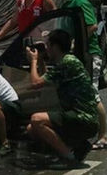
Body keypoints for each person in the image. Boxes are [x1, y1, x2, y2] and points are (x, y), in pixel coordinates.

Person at [53, 0, 107, 150]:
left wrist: (74, 42)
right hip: (73, 57)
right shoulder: (66, 3)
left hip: (87, 55)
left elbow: (91, 25)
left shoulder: (79, 1)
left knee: (91, 95)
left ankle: (103, 136)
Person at [26, 29, 99, 167]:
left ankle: (68, 157)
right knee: (32, 129)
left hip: (83, 118)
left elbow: (35, 83)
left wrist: (34, 61)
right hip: (77, 116)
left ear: (55, 47)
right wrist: (41, 61)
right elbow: (46, 81)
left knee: (37, 119)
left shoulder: (67, 63)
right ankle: (77, 146)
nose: (46, 49)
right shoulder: (66, 61)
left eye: (48, 46)